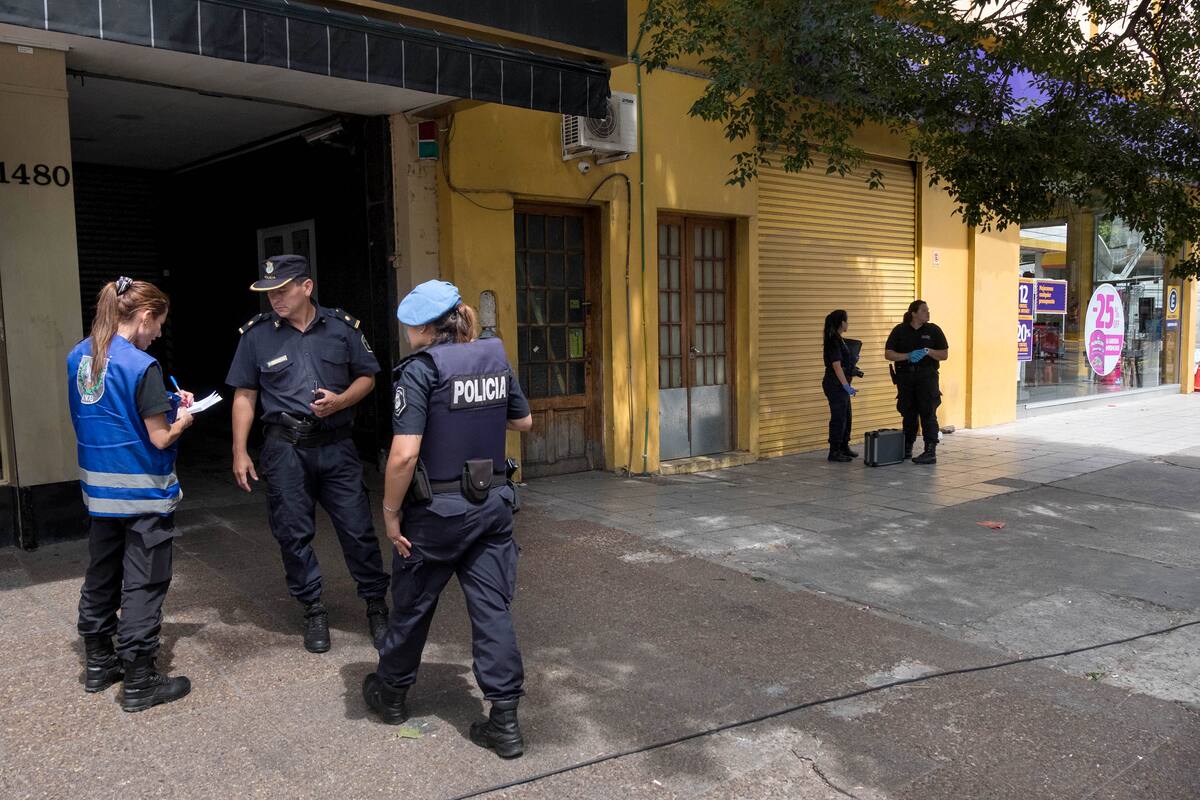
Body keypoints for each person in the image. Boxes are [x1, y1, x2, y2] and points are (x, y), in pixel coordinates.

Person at [361, 280, 533, 760]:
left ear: (421, 327)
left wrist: (391, 515)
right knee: (492, 610)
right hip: (492, 507)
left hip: (435, 513)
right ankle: (505, 722)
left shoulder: (419, 371)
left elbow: (403, 455)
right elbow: (523, 422)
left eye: (408, 328)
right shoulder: (494, 358)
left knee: (413, 603)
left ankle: (391, 695)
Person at [226, 255, 390, 653]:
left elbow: (367, 377)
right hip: (285, 450)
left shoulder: (341, 328)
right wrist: (239, 451)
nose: (275, 300)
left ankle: (376, 604)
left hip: (336, 446)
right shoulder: (256, 335)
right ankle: (313, 608)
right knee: (292, 534)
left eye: (282, 290)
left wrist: (340, 401)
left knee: (357, 529)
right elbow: (245, 395)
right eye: (270, 293)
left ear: (307, 287)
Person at [67, 276, 194, 712]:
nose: (158, 333)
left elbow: (106, 414)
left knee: (102, 572)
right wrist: (184, 418)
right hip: (142, 492)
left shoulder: (78, 356)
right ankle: (140, 680)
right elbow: (159, 438)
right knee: (145, 581)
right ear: (143, 315)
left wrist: (164, 404)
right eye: (158, 324)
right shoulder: (142, 366)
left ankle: (99, 662)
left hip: (98, 491)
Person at [885, 300, 949, 464]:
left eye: (928, 310)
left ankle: (930, 451)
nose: (928, 313)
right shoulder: (900, 330)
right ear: (913, 313)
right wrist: (907, 356)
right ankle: (907, 447)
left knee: (928, 413)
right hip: (906, 377)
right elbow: (889, 354)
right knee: (908, 413)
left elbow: (944, 354)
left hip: (927, 377)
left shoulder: (933, 330)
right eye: (924, 311)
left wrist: (928, 351)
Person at [822, 310, 859, 462]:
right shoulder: (833, 341)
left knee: (847, 416)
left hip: (841, 384)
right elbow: (836, 366)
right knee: (839, 418)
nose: (848, 323)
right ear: (841, 323)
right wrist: (845, 386)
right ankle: (834, 451)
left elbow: (843, 364)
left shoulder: (840, 340)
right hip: (835, 384)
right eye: (846, 320)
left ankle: (844, 446)